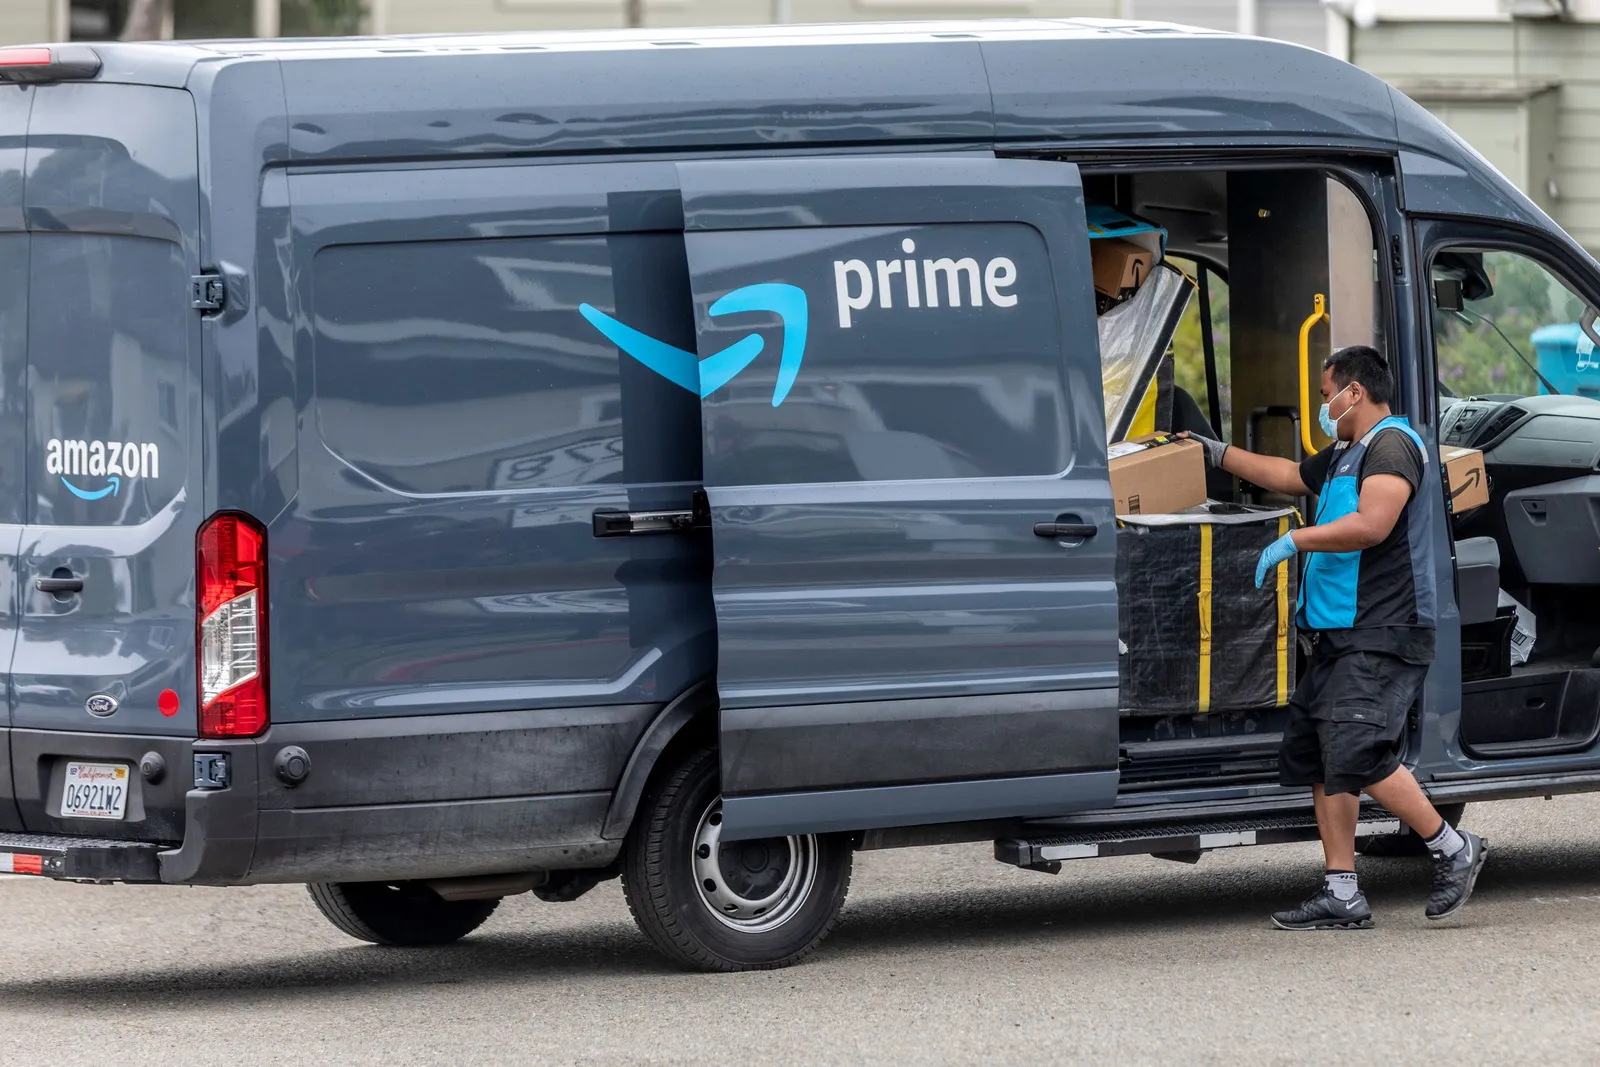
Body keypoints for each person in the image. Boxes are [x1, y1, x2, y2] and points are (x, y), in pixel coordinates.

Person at [1183, 345, 1488, 930]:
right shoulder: (1347, 451)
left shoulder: (1394, 445)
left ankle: (1453, 847)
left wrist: (1296, 541)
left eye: (1327, 395)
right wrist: (1217, 454)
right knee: (1324, 758)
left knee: (1357, 750)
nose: (1324, 406)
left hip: (1384, 629)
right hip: (1336, 632)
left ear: (1354, 392)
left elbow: (1374, 526)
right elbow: (1289, 475)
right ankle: (1342, 891)